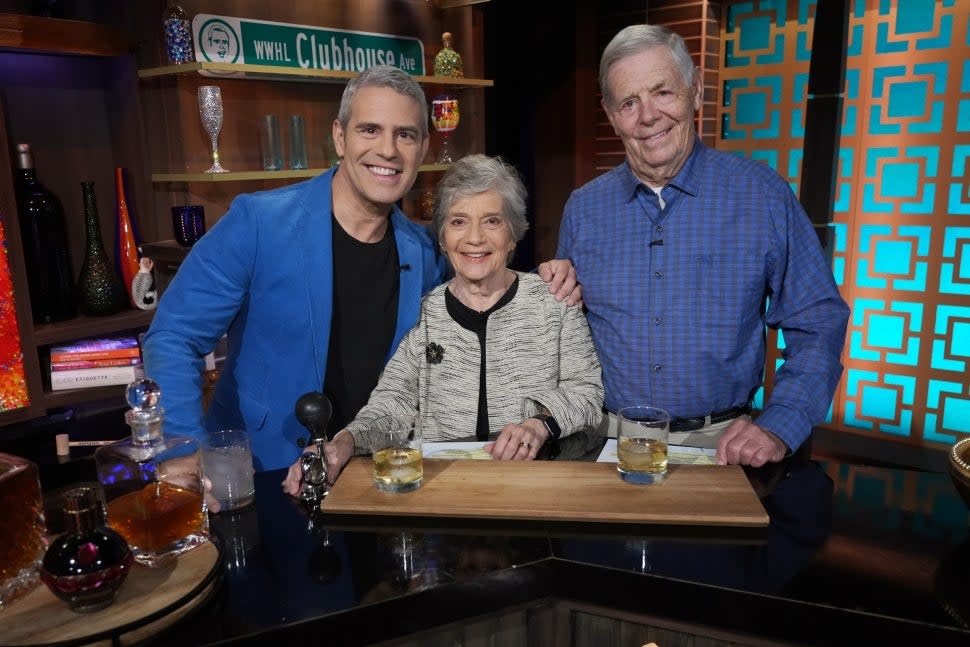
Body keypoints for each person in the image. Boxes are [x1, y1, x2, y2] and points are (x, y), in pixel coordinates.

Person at [143, 66, 579, 475]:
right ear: (339, 136)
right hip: (265, 470)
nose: (387, 150)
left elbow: (484, 267)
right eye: (370, 129)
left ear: (423, 149)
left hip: (377, 471)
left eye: (404, 134)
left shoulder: (425, 249)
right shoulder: (257, 222)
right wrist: (184, 450)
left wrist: (548, 275)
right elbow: (174, 337)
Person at [556, 24, 849, 467]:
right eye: (629, 102)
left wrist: (779, 423)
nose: (648, 115)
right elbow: (564, 334)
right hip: (604, 443)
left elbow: (817, 322)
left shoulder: (761, 195)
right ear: (611, 114)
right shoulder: (583, 209)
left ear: (695, 93)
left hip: (724, 447)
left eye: (663, 93)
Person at [283, 155, 603, 494]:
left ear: (512, 235)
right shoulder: (422, 313)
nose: (474, 238)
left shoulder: (554, 303)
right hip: (444, 491)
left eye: (492, 221)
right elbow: (391, 406)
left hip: (535, 489)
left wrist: (540, 425)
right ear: (442, 238)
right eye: (459, 222)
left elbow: (587, 393)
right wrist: (344, 442)